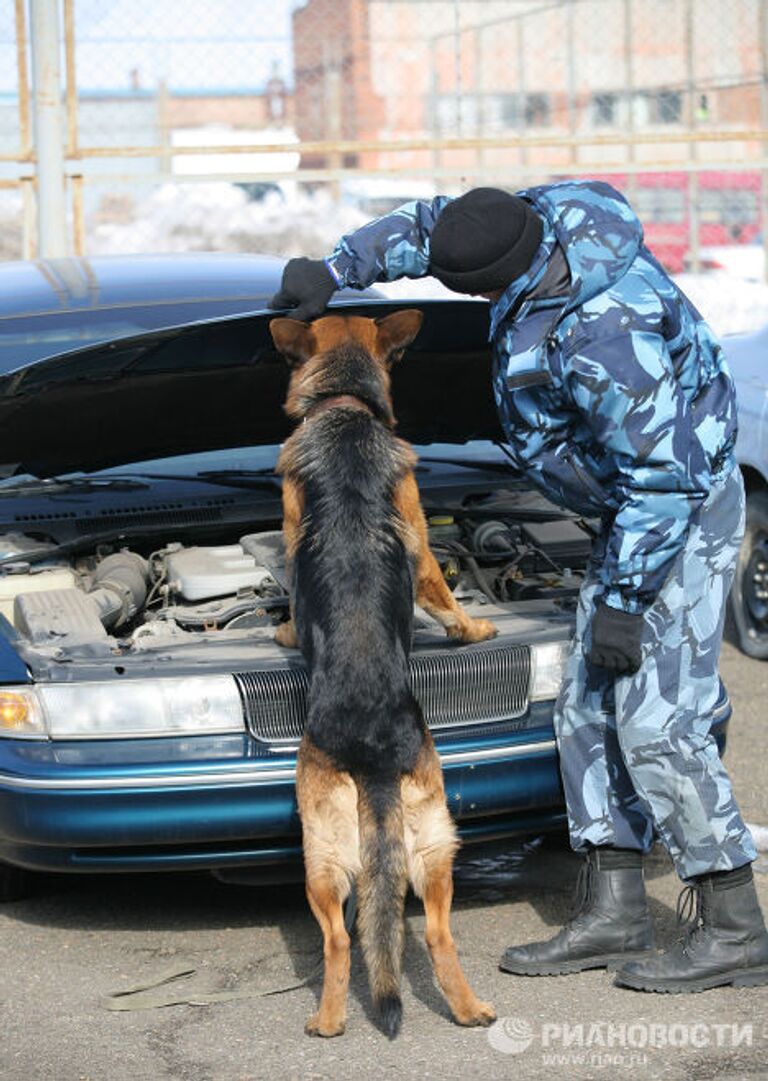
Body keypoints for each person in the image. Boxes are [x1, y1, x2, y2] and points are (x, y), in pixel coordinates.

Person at [269, 180, 768, 993]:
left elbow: (665, 483)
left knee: (655, 720)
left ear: (513, 271)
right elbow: (431, 227)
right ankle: (614, 907)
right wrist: (334, 269)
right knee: (586, 705)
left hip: (677, 513)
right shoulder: (525, 220)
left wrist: (623, 600)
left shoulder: (610, 328)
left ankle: (736, 923)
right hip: (626, 508)